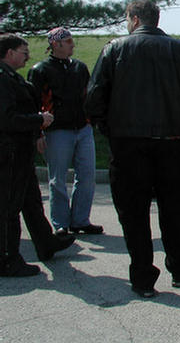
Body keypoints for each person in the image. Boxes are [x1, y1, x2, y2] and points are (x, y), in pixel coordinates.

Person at [85, 0, 180, 298]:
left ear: (134, 18)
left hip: (128, 145)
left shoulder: (114, 49)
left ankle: (143, 278)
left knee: (134, 213)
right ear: (156, 19)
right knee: (175, 209)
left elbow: (94, 98)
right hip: (171, 142)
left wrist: (109, 128)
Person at [28, 28, 102, 236]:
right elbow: (33, 103)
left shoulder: (80, 67)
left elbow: (88, 94)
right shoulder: (40, 70)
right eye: (68, 41)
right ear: (56, 44)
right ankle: (60, 223)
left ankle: (80, 220)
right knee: (58, 179)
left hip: (83, 128)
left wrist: (91, 120)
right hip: (56, 131)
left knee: (87, 176)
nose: (72, 44)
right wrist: (38, 133)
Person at [0, 34, 54, 277]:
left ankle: (44, 243)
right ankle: (8, 259)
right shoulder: (3, 80)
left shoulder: (10, 77)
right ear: (10, 53)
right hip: (9, 151)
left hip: (18, 151)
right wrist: (38, 120)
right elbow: (7, 119)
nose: (28, 56)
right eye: (24, 51)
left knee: (24, 200)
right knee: (8, 207)